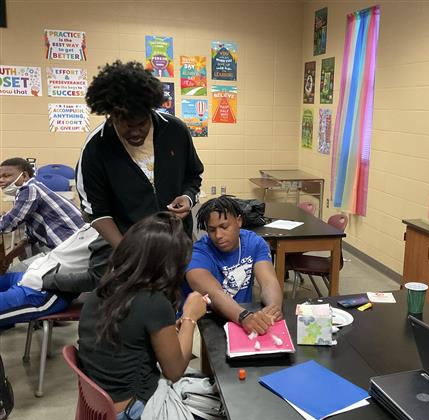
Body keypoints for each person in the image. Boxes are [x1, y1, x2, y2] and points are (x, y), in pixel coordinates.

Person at [78, 212, 233, 420]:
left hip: (101, 418)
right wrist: (190, 317)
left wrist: (173, 331)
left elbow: (132, 342)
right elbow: (173, 371)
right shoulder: (152, 302)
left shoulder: (103, 291)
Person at [76, 60, 203, 247]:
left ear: (150, 111)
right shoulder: (96, 147)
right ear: (111, 116)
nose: (135, 132)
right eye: (127, 125)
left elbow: (193, 176)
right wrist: (124, 250)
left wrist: (187, 197)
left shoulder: (175, 131)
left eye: (142, 124)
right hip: (127, 242)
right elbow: (95, 210)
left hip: (177, 239)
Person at [185, 196, 283, 335]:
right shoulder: (198, 253)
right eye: (212, 230)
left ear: (239, 221)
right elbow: (214, 294)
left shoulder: (254, 243)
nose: (218, 235)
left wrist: (273, 308)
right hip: (205, 323)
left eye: (224, 227)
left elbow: (268, 281)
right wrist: (244, 316)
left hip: (242, 318)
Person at [0, 225, 102, 327]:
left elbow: (95, 279)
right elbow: (28, 238)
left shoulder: (108, 234)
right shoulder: (94, 224)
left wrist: (43, 281)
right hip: (34, 274)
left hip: (46, 291)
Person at [0, 158, 84, 251]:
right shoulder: (28, 190)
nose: (1, 180)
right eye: (0, 177)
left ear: (24, 175)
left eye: (6, 176)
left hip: (72, 246)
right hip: (72, 243)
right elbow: (30, 236)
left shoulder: (30, 189)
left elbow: (10, 222)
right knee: (28, 256)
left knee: (32, 262)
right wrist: (10, 257)